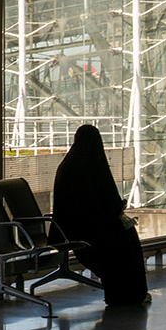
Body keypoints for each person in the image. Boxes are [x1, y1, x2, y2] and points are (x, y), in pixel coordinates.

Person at [50, 124, 152, 306]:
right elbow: (105, 199)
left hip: (71, 227)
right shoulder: (93, 165)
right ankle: (131, 292)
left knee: (120, 240)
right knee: (125, 240)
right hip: (89, 229)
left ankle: (122, 293)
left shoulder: (68, 166)